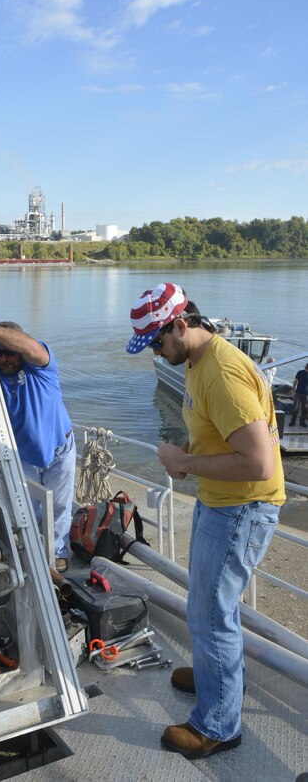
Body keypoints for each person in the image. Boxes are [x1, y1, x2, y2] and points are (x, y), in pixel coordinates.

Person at [126, 282, 285, 759]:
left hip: (242, 508)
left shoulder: (223, 374)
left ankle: (216, 726)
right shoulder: (196, 361)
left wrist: (184, 464)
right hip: (220, 502)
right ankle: (215, 677)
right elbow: (215, 433)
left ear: (182, 324)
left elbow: (259, 463)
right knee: (209, 604)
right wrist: (187, 455)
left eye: (158, 341)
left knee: (212, 612)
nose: (156, 350)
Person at [0, 300, 75, 573]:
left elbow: (31, 347)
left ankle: (57, 554)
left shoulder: (40, 365)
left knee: (58, 507)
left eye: (11, 353)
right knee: (29, 509)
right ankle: (34, 552)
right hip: (21, 455)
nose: (5, 359)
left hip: (59, 450)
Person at [289, 362, 308, 427]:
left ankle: (302, 422)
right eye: (305, 367)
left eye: (307, 368)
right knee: (295, 408)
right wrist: (293, 391)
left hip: (306, 395)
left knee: (304, 409)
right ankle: (292, 422)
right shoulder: (300, 372)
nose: (306, 369)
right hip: (298, 393)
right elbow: (295, 381)